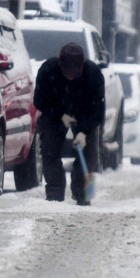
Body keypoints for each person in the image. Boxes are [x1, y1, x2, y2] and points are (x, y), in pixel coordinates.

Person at [33, 42, 105, 205]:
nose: (71, 76)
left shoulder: (93, 74)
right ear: (60, 62)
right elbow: (39, 100)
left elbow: (97, 111)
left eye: (75, 72)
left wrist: (83, 131)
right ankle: (54, 193)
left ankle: (85, 194)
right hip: (55, 114)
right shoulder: (47, 70)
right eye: (67, 71)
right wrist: (61, 115)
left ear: (83, 64)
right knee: (49, 151)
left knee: (89, 155)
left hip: (84, 115)